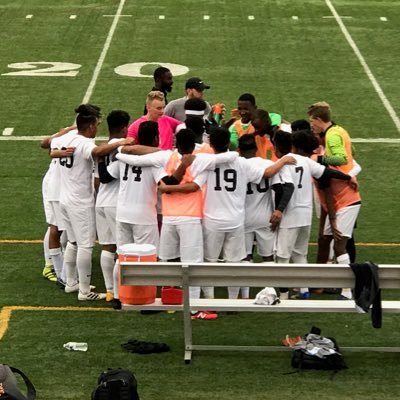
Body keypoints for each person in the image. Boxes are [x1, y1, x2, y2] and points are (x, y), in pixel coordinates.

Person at [163, 126, 296, 300]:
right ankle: (233, 301)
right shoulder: (241, 162)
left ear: (210, 143)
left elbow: (194, 185)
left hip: (212, 220)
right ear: (229, 143)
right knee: (234, 263)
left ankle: (209, 300)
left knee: (209, 263)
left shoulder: (206, 162)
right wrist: (283, 161)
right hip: (235, 220)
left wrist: (167, 187)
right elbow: (268, 172)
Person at [51, 106, 133, 300]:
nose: (97, 129)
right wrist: (120, 142)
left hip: (64, 198)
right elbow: (98, 151)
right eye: (95, 125)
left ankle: (71, 282)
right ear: (88, 127)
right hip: (80, 201)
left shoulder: (66, 138)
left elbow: (50, 147)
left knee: (72, 242)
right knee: (85, 246)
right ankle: (85, 291)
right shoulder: (85, 142)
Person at [308, 102, 362, 299]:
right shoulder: (339, 131)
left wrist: (320, 161)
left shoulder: (331, 135)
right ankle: (326, 283)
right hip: (341, 199)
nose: (311, 126)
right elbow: (351, 154)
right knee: (327, 241)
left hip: (346, 200)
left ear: (319, 120)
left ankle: (348, 290)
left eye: (312, 121)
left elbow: (340, 158)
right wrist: (350, 174)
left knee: (340, 244)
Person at [238, 134, 293, 263]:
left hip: (243, 217)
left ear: (239, 150)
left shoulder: (238, 166)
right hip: (265, 217)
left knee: (245, 256)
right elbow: (279, 189)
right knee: (268, 256)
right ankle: (269, 283)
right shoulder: (268, 164)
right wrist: (278, 210)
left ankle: (244, 283)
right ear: (256, 148)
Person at [95, 110, 131, 302]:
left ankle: (109, 289)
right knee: (120, 249)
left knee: (107, 247)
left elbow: (97, 180)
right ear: (125, 127)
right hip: (115, 202)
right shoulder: (121, 148)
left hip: (101, 201)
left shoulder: (102, 147)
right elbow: (107, 177)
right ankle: (120, 291)